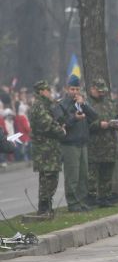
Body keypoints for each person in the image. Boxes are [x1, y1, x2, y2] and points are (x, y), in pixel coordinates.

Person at [29, 80, 66, 217]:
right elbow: (48, 125)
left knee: (49, 178)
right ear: (41, 91)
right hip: (45, 150)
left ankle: (46, 207)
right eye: (47, 90)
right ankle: (44, 208)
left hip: (49, 149)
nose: (50, 93)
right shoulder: (39, 107)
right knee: (48, 179)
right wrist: (61, 131)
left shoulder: (45, 105)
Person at [58, 75, 95, 211]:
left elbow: (94, 116)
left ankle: (82, 201)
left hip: (83, 143)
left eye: (77, 89)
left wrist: (83, 104)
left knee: (83, 175)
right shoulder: (62, 104)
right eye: (72, 89)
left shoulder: (82, 102)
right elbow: (61, 123)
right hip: (70, 144)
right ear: (67, 89)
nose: (74, 92)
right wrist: (74, 118)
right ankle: (73, 203)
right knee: (72, 175)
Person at [86, 78, 118, 207]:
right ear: (92, 89)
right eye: (99, 91)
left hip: (109, 145)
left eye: (103, 91)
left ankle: (104, 198)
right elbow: (83, 124)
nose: (102, 93)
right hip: (93, 146)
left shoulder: (111, 103)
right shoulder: (86, 104)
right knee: (92, 175)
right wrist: (98, 125)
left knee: (107, 174)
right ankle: (91, 198)